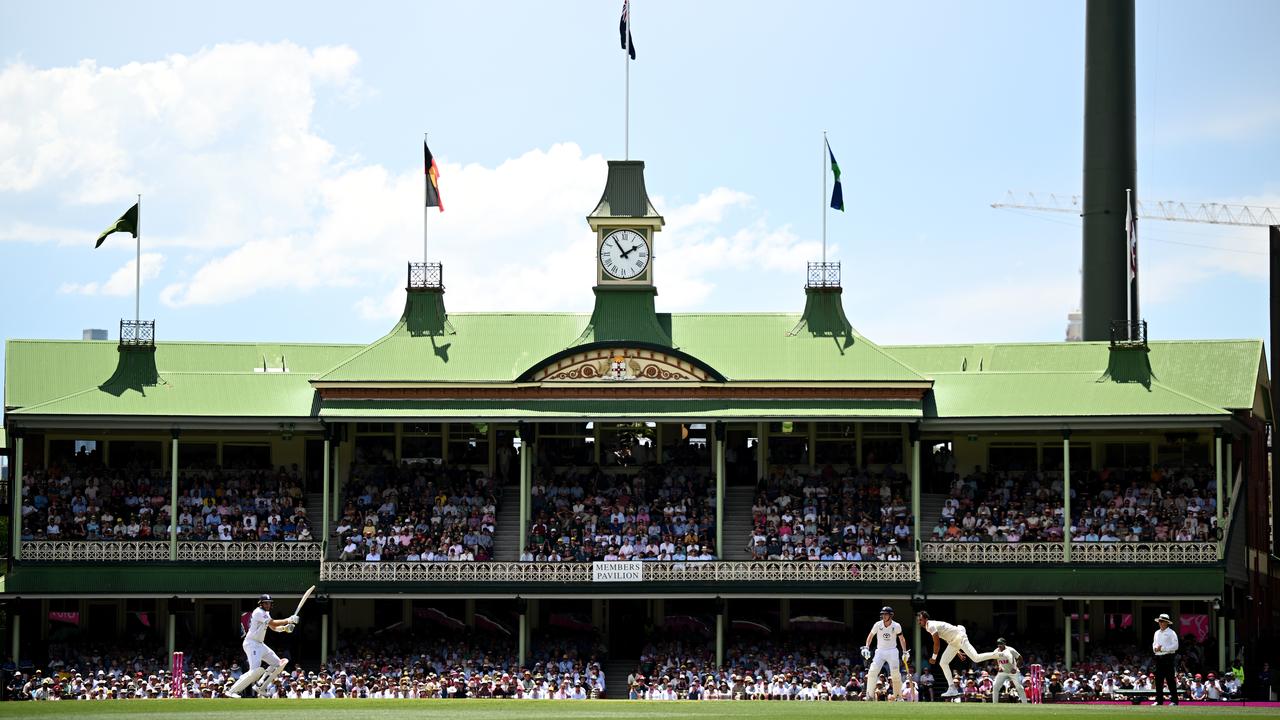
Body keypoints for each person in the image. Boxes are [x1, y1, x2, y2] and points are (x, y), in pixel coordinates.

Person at [224, 594, 299, 698]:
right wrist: (289, 620)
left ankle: (260, 686)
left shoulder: (266, 613)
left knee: (278, 664)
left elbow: (272, 626)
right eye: (266, 603)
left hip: (260, 644)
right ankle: (231, 690)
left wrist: (284, 628)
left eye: (269, 603)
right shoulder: (259, 612)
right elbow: (273, 622)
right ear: (261, 603)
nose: (268, 605)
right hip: (252, 644)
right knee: (254, 671)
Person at [916, 610, 994, 697]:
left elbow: (937, 643)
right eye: (918, 620)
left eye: (921, 620)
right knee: (943, 663)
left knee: (976, 658)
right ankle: (952, 688)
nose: (919, 622)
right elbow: (945, 637)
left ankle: (997, 654)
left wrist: (934, 657)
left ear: (926, 619)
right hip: (954, 641)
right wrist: (958, 652)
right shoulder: (928, 626)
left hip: (959, 637)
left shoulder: (931, 626)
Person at [861, 606, 908, 701]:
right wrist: (866, 647)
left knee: (895, 673)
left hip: (892, 651)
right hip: (880, 651)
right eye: (883, 614)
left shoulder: (896, 626)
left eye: (886, 614)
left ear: (891, 615)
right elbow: (871, 635)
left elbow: (902, 639)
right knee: (872, 671)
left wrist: (905, 652)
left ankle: (898, 696)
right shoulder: (878, 625)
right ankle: (869, 696)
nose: (884, 616)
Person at [988, 637, 1028, 703]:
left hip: (1013, 672)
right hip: (1003, 672)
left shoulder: (1010, 650)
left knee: (1019, 687)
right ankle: (994, 704)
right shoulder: (996, 651)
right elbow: (994, 659)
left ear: (1004, 644)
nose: (999, 645)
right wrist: (998, 666)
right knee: (995, 686)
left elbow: (1020, 658)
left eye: (1001, 643)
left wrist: (1015, 668)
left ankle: (1025, 703)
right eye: (998, 643)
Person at [1151, 612, 1179, 706]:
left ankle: (1174, 701)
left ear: (1167, 622)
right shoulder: (1157, 633)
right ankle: (1159, 701)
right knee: (1158, 680)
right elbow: (1154, 644)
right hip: (1158, 658)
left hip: (1168, 658)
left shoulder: (1171, 633)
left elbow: (1175, 646)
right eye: (1159, 621)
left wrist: (1162, 648)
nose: (1160, 623)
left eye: (1162, 621)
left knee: (1170, 679)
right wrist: (1155, 649)